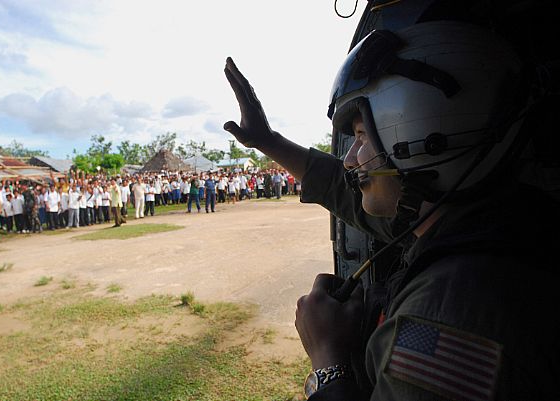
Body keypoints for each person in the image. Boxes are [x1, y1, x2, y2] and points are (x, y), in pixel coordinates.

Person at [223, 14, 560, 399]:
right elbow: (347, 190)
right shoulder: (483, 224)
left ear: (425, 136)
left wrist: (327, 361)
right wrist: (269, 141)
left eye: (363, 136)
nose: (350, 160)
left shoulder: (447, 318)